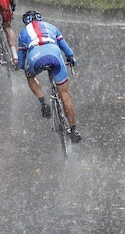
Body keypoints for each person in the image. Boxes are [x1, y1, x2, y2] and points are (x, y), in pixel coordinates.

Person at [17, 10, 81, 143]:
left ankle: (43, 102)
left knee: (29, 75)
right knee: (64, 94)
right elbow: (67, 50)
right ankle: (74, 130)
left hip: (36, 57)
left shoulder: (23, 33)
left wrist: (26, 68)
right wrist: (71, 59)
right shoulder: (51, 26)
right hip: (54, 53)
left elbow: (21, 63)